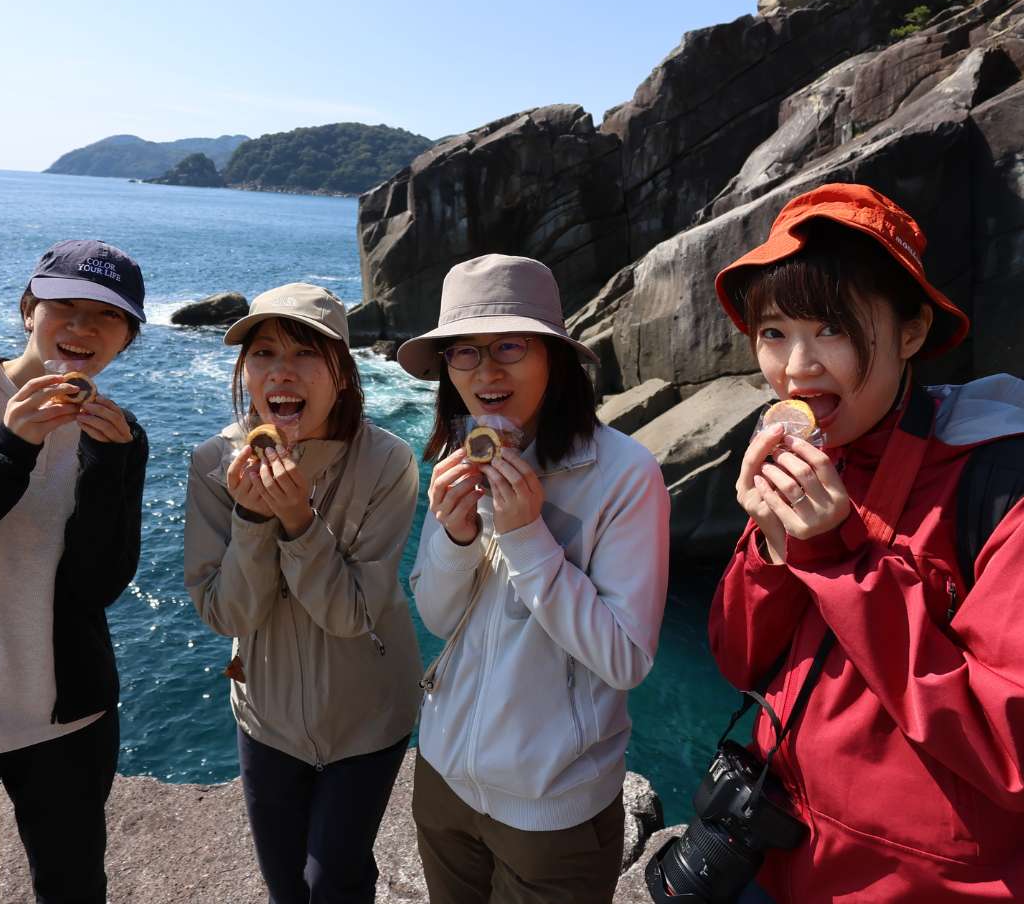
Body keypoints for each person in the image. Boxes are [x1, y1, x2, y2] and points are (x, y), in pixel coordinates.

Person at [709, 183, 1024, 902]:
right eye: (773, 332)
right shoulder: (812, 459)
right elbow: (739, 662)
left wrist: (841, 557)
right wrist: (770, 550)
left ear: (911, 333)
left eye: (831, 328)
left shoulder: (999, 480)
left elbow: (1009, 748)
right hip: (776, 859)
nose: (796, 368)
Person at [400, 253, 670, 904]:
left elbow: (626, 658)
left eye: (510, 346)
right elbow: (437, 617)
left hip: (554, 813)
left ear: (554, 356)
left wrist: (526, 537)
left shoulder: (626, 476)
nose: (485, 371)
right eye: (464, 351)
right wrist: (457, 539)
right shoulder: (459, 455)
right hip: (442, 780)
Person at [184, 283, 421, 904]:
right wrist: (251, 519)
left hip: (369, 717)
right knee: (286, 886)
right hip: (267, 719)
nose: (281, 371)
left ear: (342, 372)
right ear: (245, 370)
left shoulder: (388, 463)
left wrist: (298, 522)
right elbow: (225, 612)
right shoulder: (212, 464)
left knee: (333, 882)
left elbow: (353, 615)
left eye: (305, 353)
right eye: (263, 353)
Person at [0, 239, 149, 903]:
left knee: (74, 887)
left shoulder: (119, 433)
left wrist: (108, 469)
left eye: (108, 315)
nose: (83, 328)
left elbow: (99, 585)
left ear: (128, 336)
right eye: (65, 306)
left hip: (67, 720)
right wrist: (8, 449)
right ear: (29, 309)